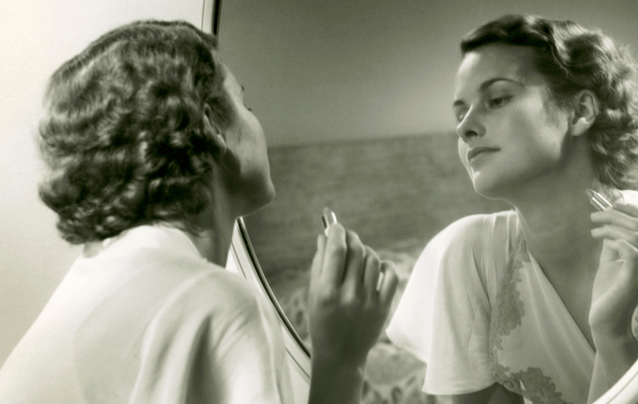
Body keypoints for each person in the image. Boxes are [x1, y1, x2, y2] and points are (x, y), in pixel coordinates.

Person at [0, 20, 398, 404]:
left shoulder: (88, 285)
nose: (259, 123)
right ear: (212, 128)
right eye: (247, 104)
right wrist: (341, 359)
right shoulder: (218, 305)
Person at [387, 14, 638, 404]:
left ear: (580, 111)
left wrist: (614, 335)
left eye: (497, 99)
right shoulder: (470, 255)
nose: (464, 128)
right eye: (460, 112)